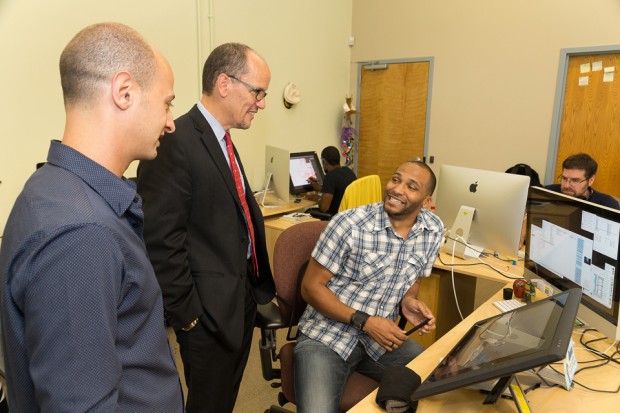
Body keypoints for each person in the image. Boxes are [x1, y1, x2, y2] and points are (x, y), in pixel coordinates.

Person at [0, 23, 183, 412]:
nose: (170, 121)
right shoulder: (80, 233)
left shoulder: (51, 187)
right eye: (167, 103)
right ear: (124, 92)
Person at [136, 42, 275, 413]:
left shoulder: (222, 140)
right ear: (224, 83)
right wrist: (190, 318)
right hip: (205, 314)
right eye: (257, 92)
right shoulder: (175, 141)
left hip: (239, 298)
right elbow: (161, 241)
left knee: (225, 399)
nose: (261, 103)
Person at [294, 160, 444, 413]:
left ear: (426, 201)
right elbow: (310, 288)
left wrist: (408, 300)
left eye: (411, 186)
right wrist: (366, 322)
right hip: (326, 336)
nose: (397, 189)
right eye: (396, 180)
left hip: (382, 340)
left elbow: (413, 278)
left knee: (444, 380)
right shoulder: (350, 224)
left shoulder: (433, 229)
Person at [545, 153, 619, 209]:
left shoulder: (607, 205)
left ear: (590, 180)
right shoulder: (546, 192)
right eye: (564, 178)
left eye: (575, 180)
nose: (566, 185)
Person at [307, 146, 357, 215]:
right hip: (349, 215)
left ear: (324, 161)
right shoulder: (349, 171)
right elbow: (338, 190)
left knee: (307, 212)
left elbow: (324, 208)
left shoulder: (330, 176)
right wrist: (319, 188)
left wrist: (318, 199)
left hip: (335, 218)